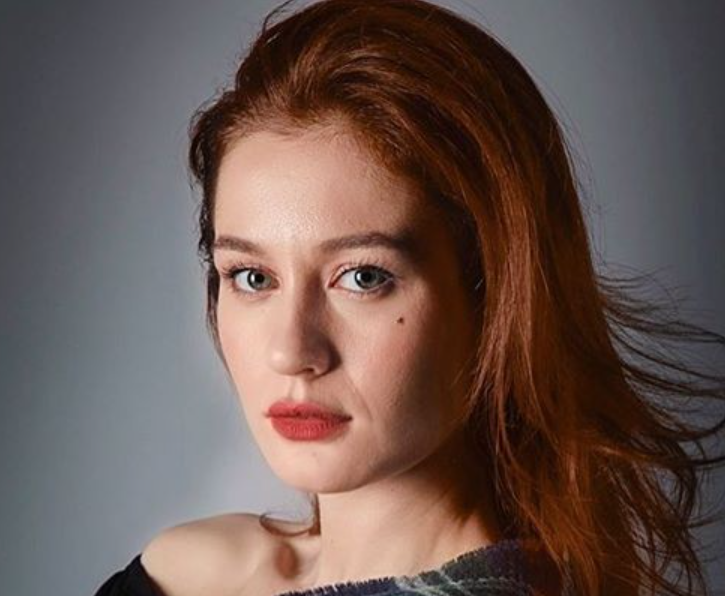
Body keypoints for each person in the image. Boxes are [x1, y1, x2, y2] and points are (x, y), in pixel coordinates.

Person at [92, 1, 725, 595]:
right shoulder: (186, 570)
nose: (292, 352)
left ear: (495, 297)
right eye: (253, 277)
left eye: (363, 277)